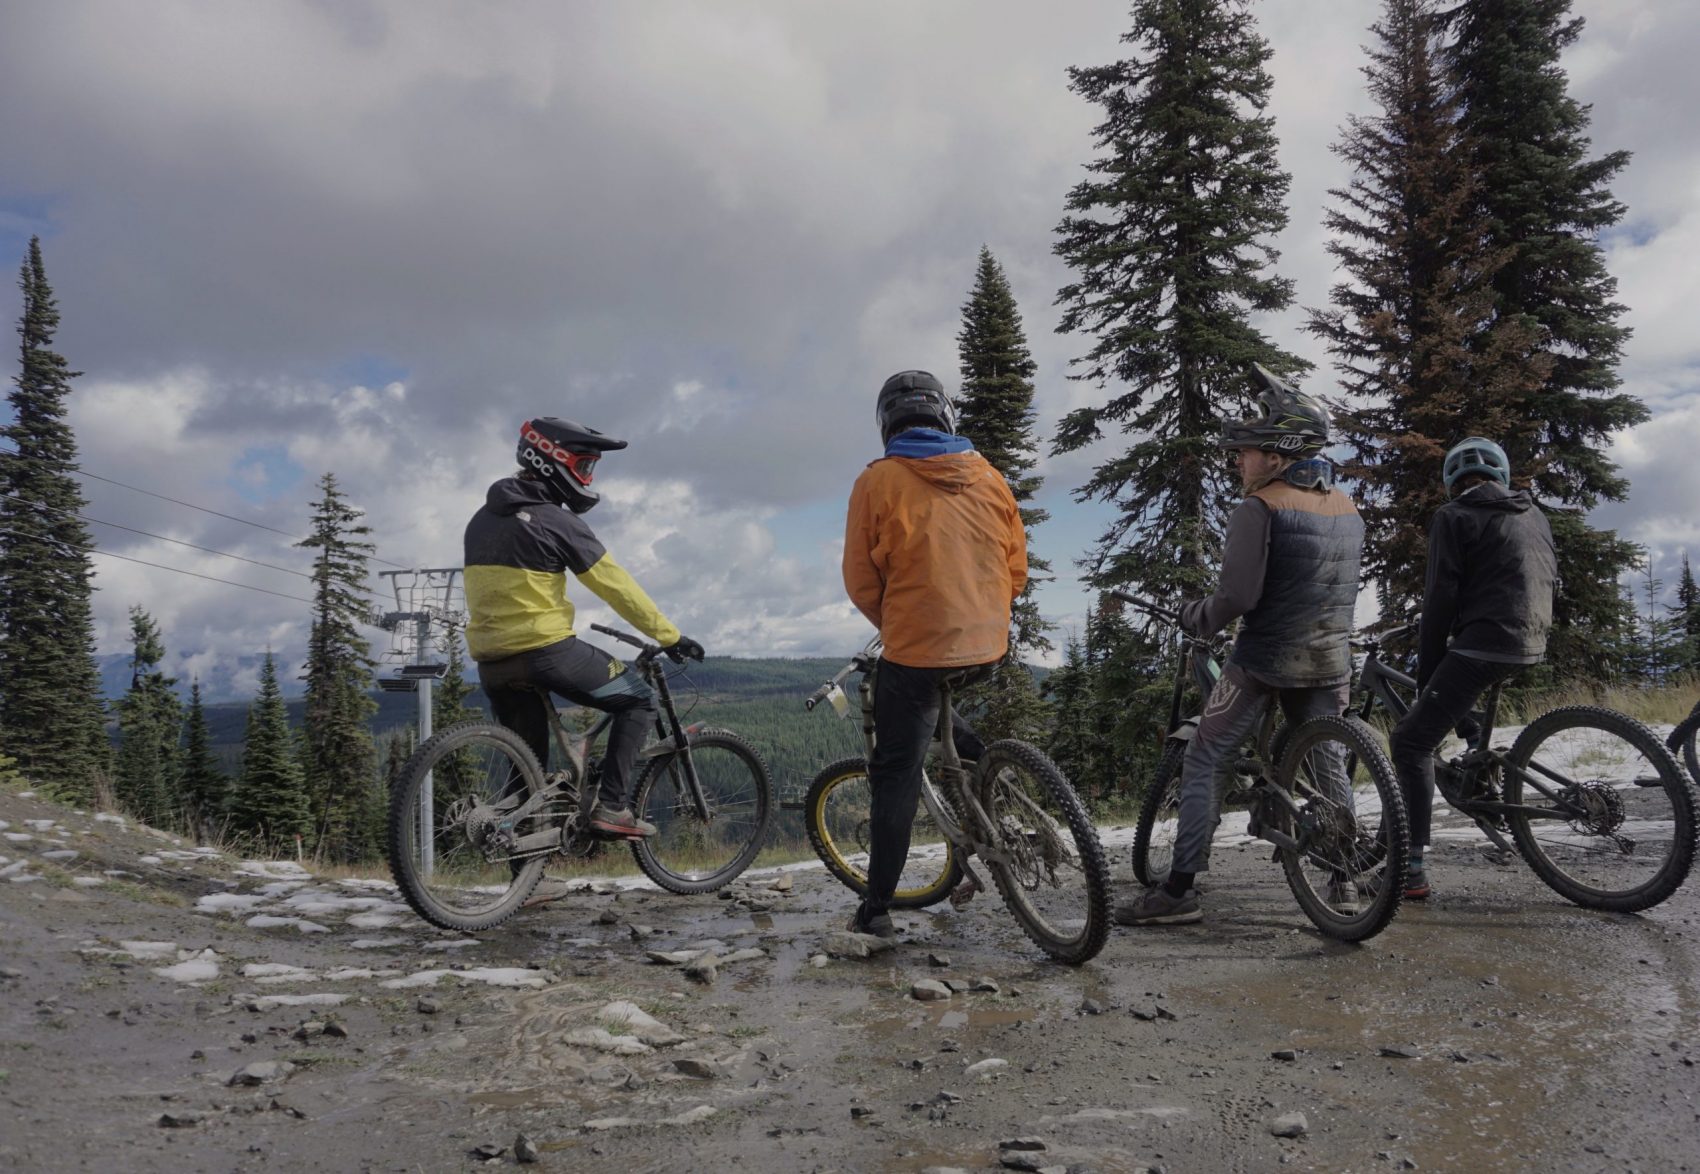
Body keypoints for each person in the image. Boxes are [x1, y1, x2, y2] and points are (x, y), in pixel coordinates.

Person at [1117, 365, 1364, 927]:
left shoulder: (1260, 507)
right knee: (1326, 759)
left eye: (1247, 450)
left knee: (1207, 753)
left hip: (1264, 658)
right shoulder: (1348, 508)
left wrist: (1194, 614)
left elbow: (1237, 597)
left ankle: (1178, 892)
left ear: (1278, 455)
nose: (1238, 459)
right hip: (1330, 659)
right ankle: (1343, 879)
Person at [840, 370, 1028, 938]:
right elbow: (1015, 568)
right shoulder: (991, 477)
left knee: (895, 772)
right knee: (936, 706)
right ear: (945, 415)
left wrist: (897, 624)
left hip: (918, 643)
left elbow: (860, 579)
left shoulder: (878, 481)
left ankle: (874, 912)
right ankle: (990, 776)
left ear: (887, 424)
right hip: (990, 641)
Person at [463, 417, 705, 839]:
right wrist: (670, 636)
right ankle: (612, 807)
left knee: (528, 774)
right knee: (640, 702)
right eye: (585, 466)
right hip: (544, 653)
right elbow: (615, 585)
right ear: (553, 460)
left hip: (492, 663)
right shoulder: (555, 521)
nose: (588, 477)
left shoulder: (480, 520)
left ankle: (527, 882)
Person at [1387, 437, 1556, 899]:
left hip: (1486, 641)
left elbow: (1440, 597)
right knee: (1457, 691)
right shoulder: (1533, 512)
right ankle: (1476, 750)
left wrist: (1426, 671)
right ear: (1501, 475)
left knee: (1410, 741)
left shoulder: (1453, 515)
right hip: (1532, 637)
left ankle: (1410, 869)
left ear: (1451, 482)